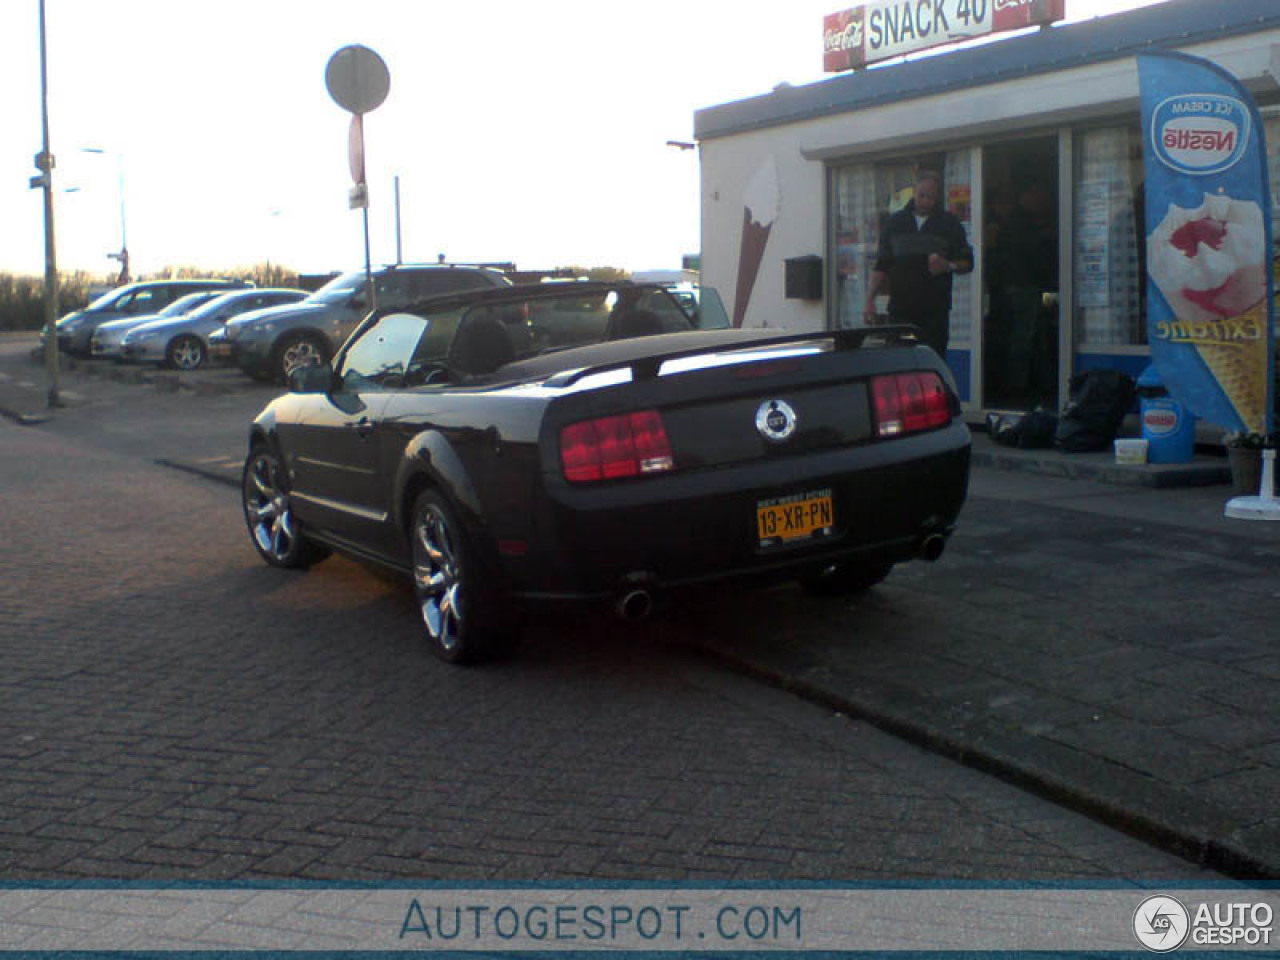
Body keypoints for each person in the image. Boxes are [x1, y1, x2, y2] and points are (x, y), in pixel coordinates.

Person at [863, 171, 974, 358]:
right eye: (921, 195)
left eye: (930, 197)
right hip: (901, 311)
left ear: (937, 197)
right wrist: (869, 301)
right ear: (914, 193)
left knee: (931, 365)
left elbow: (968, 263)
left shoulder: (950, 224)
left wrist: (948, 265)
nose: (925, 201)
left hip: (934, 314)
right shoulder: (895, 222)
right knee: (900, 365)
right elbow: (882, 265)